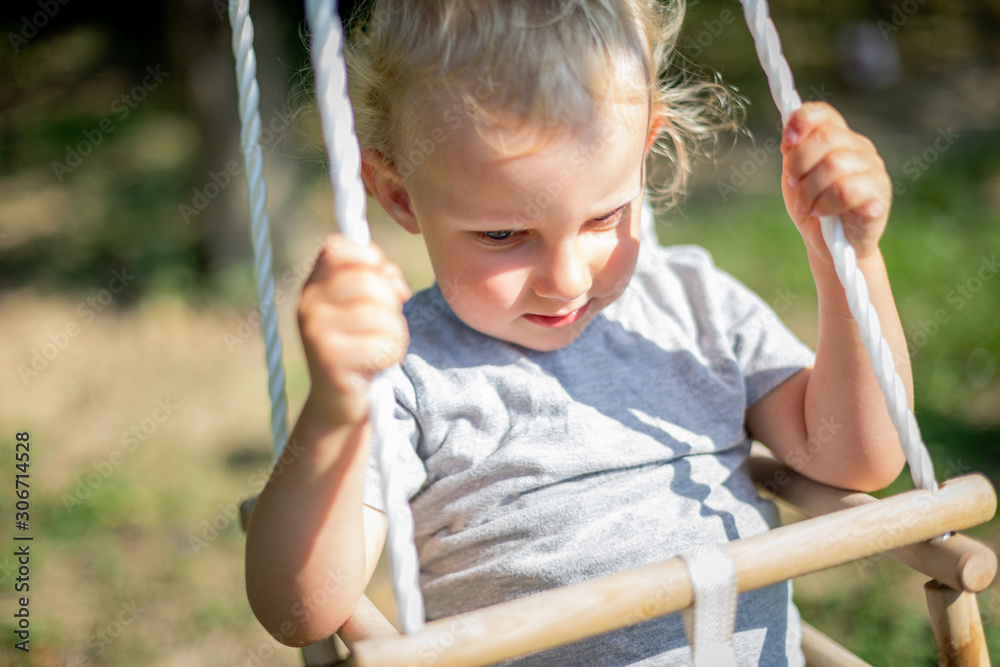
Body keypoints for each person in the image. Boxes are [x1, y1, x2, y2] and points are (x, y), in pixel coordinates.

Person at [245, 1, 910, 663]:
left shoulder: (696, 310)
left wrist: (847, 261)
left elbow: (857, 458)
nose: (565, 281)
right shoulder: (406, 375)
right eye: (503, 235)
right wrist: (334, 412)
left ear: (646, 150)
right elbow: (301, 606)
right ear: (396, 194)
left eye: (603, 217)